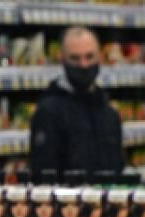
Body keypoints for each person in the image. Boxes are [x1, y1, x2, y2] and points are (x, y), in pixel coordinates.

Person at [29, 27, 124, 181]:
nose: (84, 65)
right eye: (75, 58)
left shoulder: (109, 113)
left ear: (100, 57)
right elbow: (43, 175)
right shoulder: (48, 112)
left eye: (89, 57)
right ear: (62, 59)